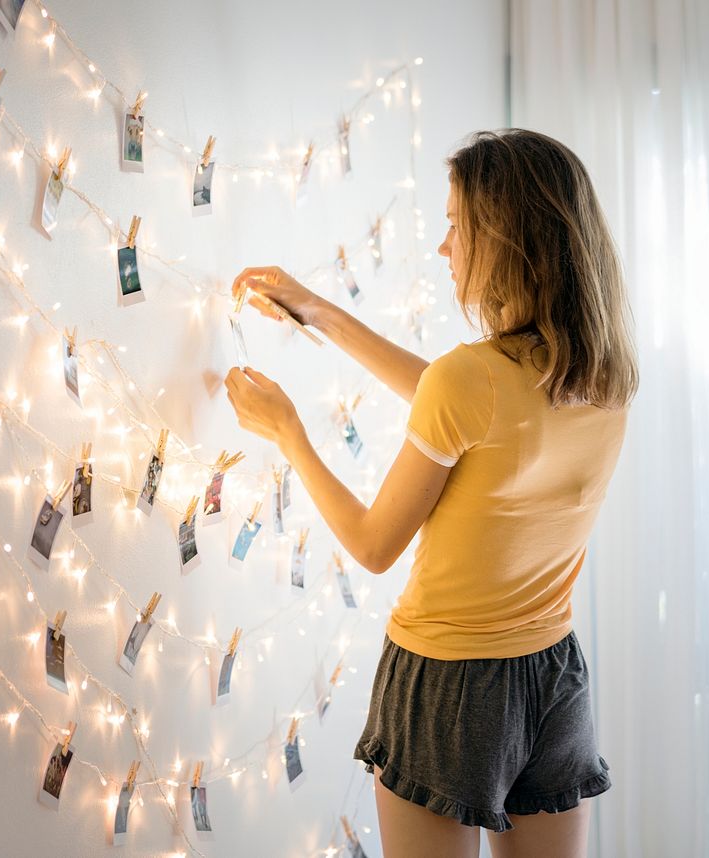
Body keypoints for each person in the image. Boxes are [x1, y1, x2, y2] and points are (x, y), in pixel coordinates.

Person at [224, 129, 638, 858]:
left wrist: (288, 431)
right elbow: (465, 411)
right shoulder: (601, 374)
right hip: (553, 679)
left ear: (506, 240)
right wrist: (317, 309)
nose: (444, 249)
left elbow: (373, 545)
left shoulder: (472, 382)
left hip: (447, 687)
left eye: (456, 227)